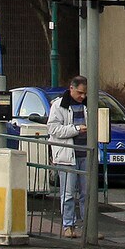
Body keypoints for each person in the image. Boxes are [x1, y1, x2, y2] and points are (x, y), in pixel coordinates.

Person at [45, 76, 89, 238]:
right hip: (67, 155)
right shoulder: (58, 105)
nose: (82, 96)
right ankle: (68, 225)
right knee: (68, 193)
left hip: (85, 154)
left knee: (86, 193)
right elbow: (53, 129)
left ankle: (88, 226)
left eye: (85, 93)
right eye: (80, 93)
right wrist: (76, 129)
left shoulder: (88, 105)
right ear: (71, 88)